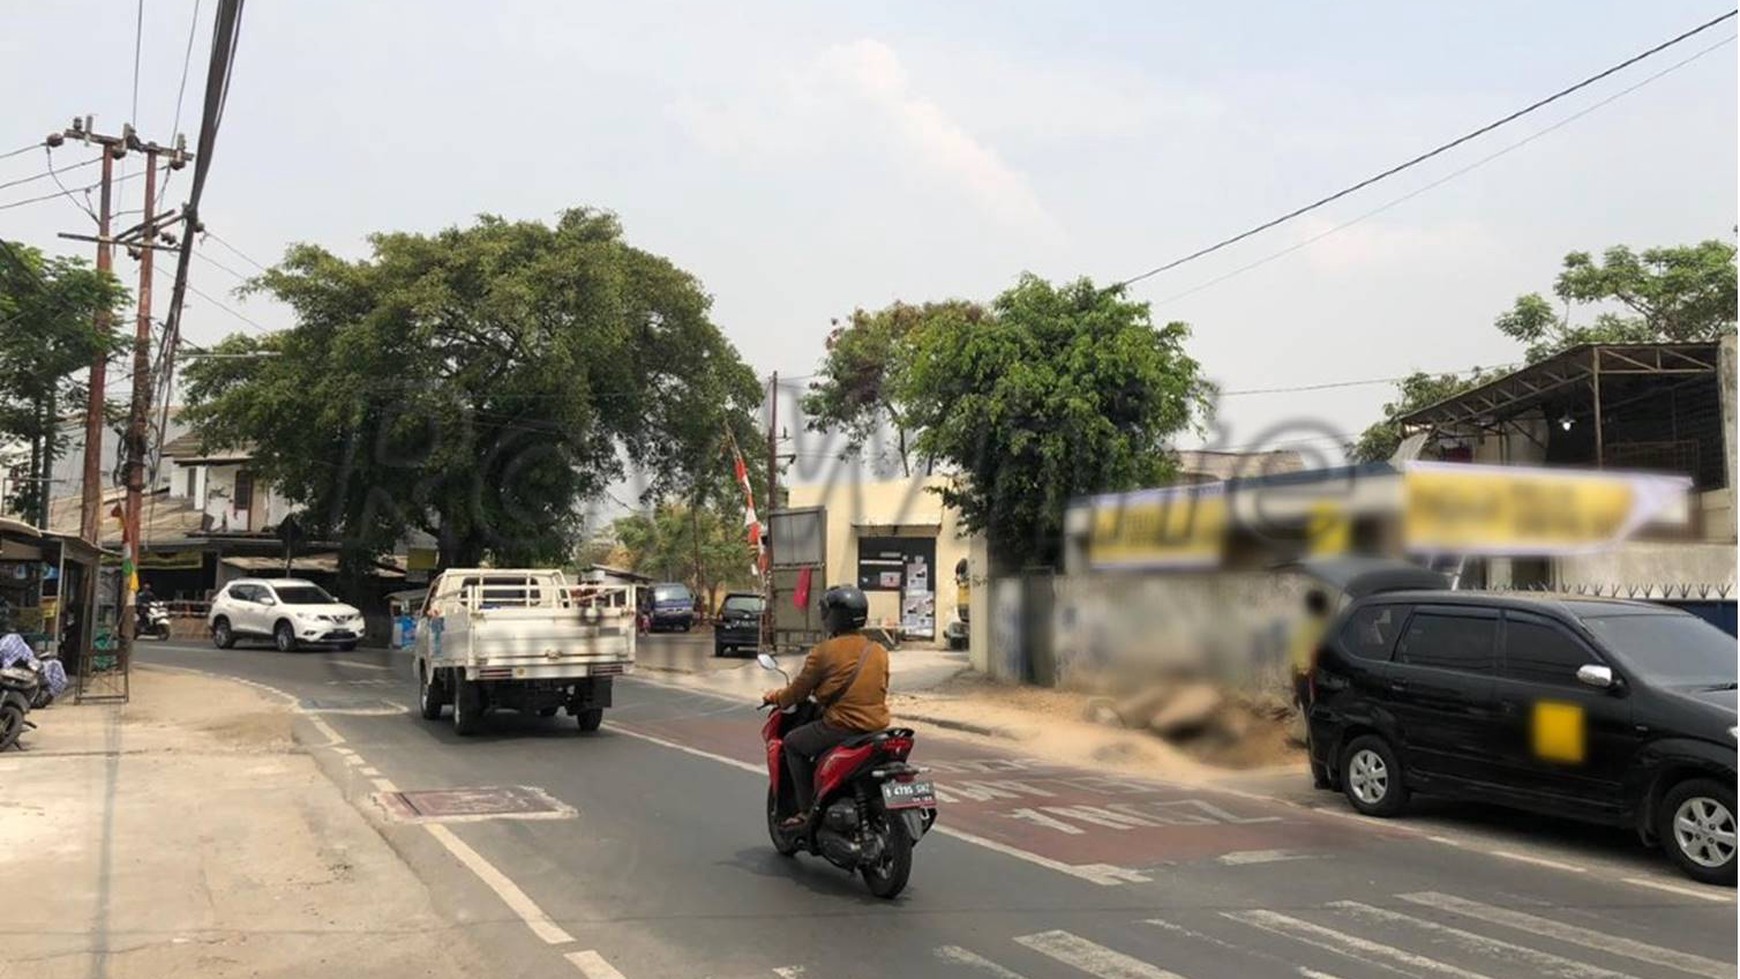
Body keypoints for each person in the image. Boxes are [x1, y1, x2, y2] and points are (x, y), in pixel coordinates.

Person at [761, 584, 890, 829]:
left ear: (831, 617)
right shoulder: (879, 650)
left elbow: (798, 692)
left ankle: (806, 810)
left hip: (842, 726)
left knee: (793, 744)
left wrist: (775, 697)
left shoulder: (824, 652)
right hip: (877, 727)